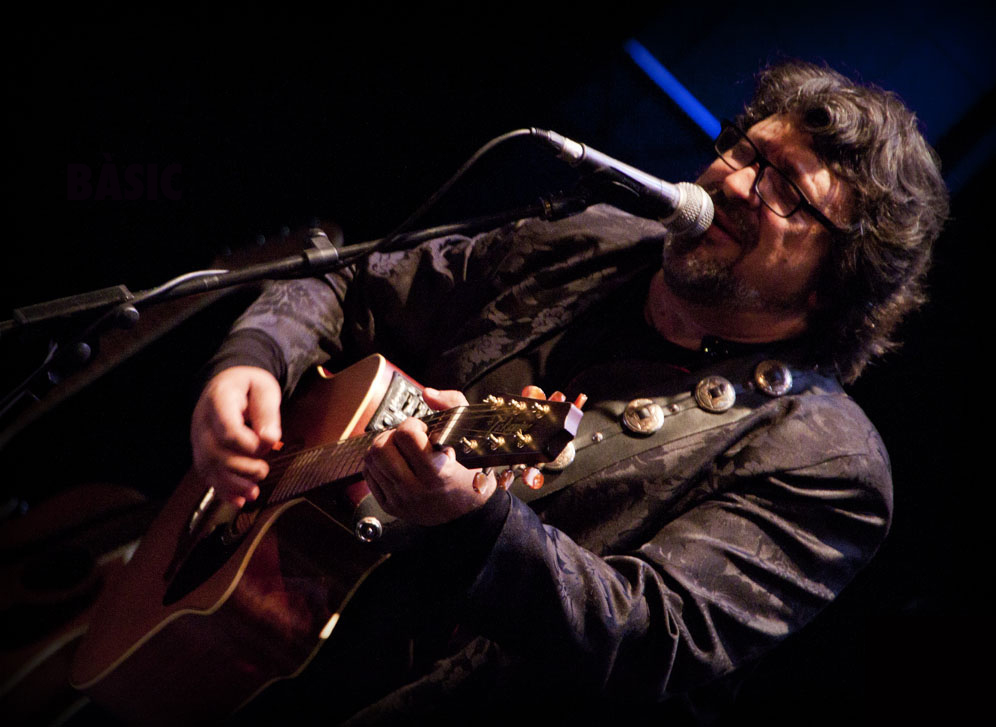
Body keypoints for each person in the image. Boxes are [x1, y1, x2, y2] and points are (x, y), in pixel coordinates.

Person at [188, 60, 948, 722]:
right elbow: (355, 279)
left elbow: (653, 637)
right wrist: (254, 358)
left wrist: (476, 525)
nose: (737, 183)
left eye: (787, 192)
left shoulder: (825, 460)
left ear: (835, 283)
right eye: (747, 151)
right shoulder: (590, 237)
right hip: (247, 646)